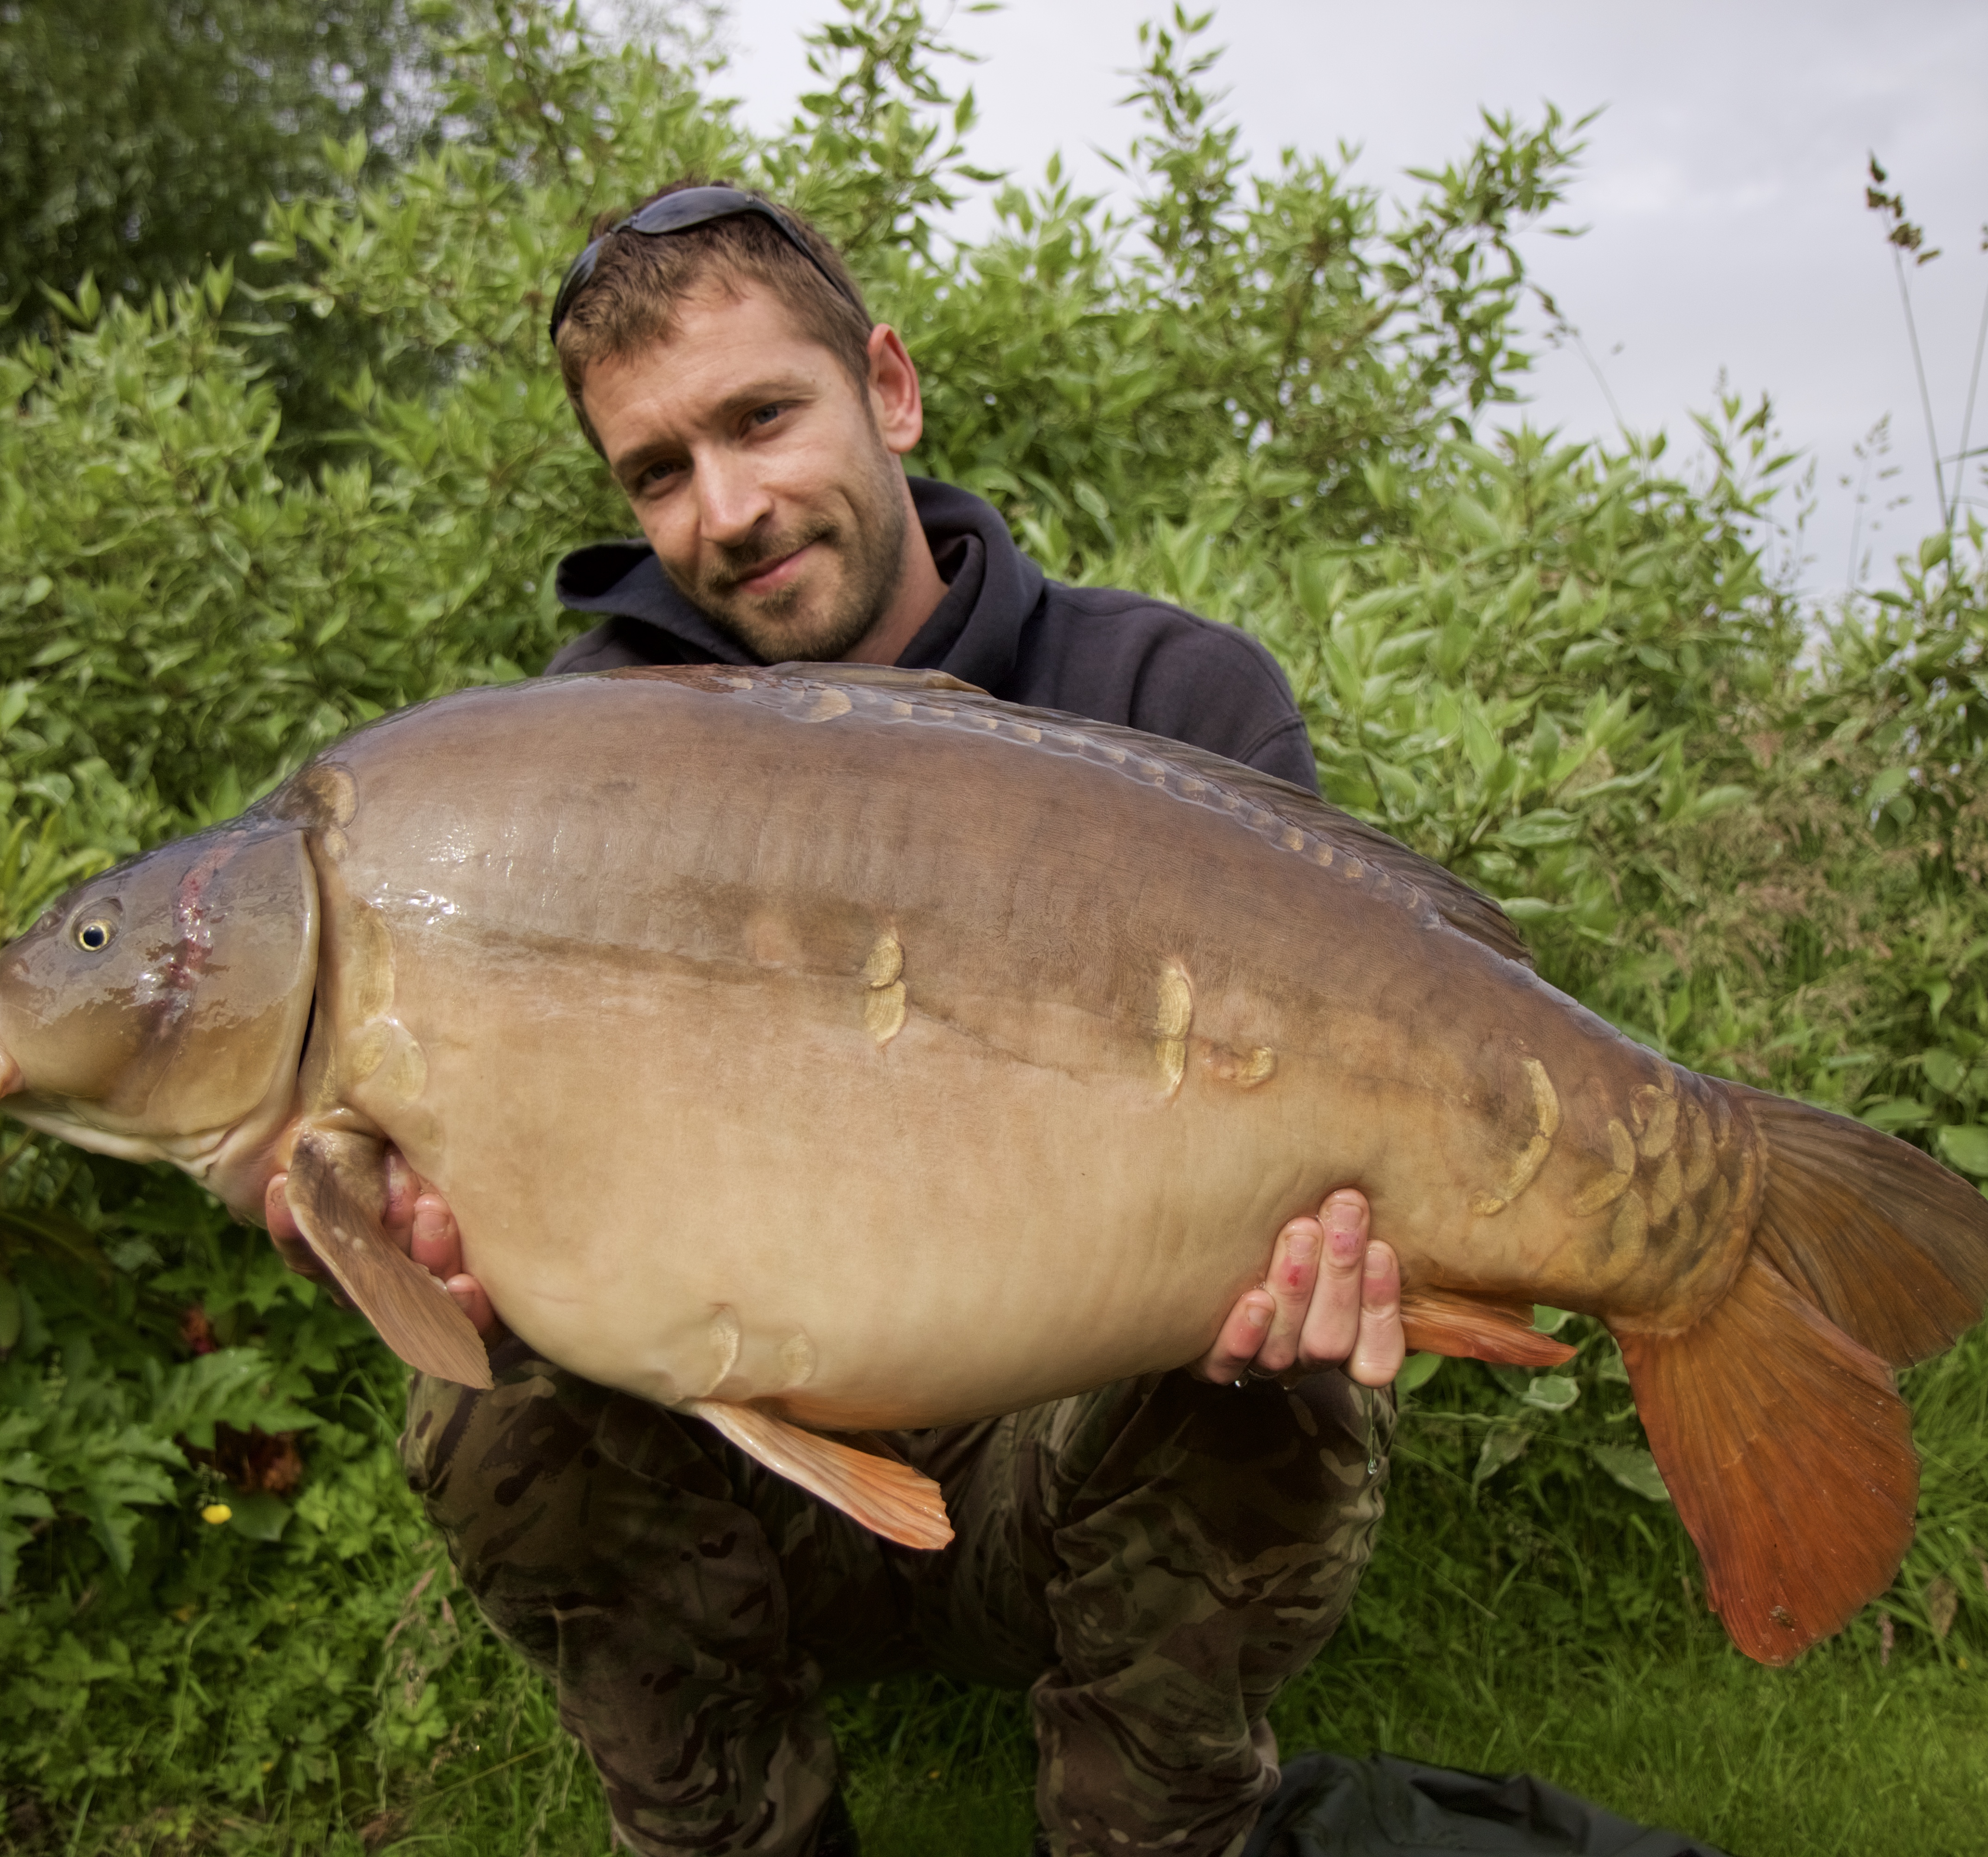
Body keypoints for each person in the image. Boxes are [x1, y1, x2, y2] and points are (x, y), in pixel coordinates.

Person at [264, 184, 1411, 1857]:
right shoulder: (580, 758)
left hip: (1069, 1462)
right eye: (657, 471)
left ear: (888, 388)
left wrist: (1317, 1265)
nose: (724, 508)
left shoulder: (1176, 702)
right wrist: (414, 1243)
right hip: (743, 1487)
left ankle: (1155, 1826)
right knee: (488, 1413)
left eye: (760, 419)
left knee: (1295, 1390)